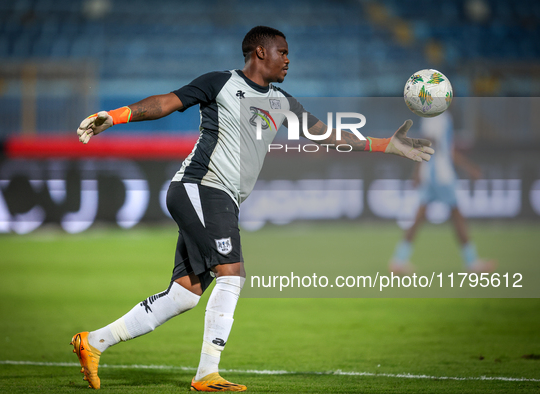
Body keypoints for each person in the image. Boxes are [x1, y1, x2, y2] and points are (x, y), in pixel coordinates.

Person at [71, 26, 434, 392]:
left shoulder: (284, 102)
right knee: (233, 273)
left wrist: (387, 144)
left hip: (222, 198)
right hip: (201, 187)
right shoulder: (220, 83)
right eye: (283, 52)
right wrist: (116, 116)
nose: (288, 59)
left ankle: (94, 342)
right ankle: (206, 374)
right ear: (260, 53)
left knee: (184, 294)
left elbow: (328, 134)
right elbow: (166, 102)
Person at [389, 111, 495, 275]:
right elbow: (429, 144)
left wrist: (419, 171)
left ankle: (398, 260)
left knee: (420, 216)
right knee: (456, 214)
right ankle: (471, 262)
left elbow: (442, 148)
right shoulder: (438, 118)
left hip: (432, 175)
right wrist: (418, 170)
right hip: (440, 176)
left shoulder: (434, 117)